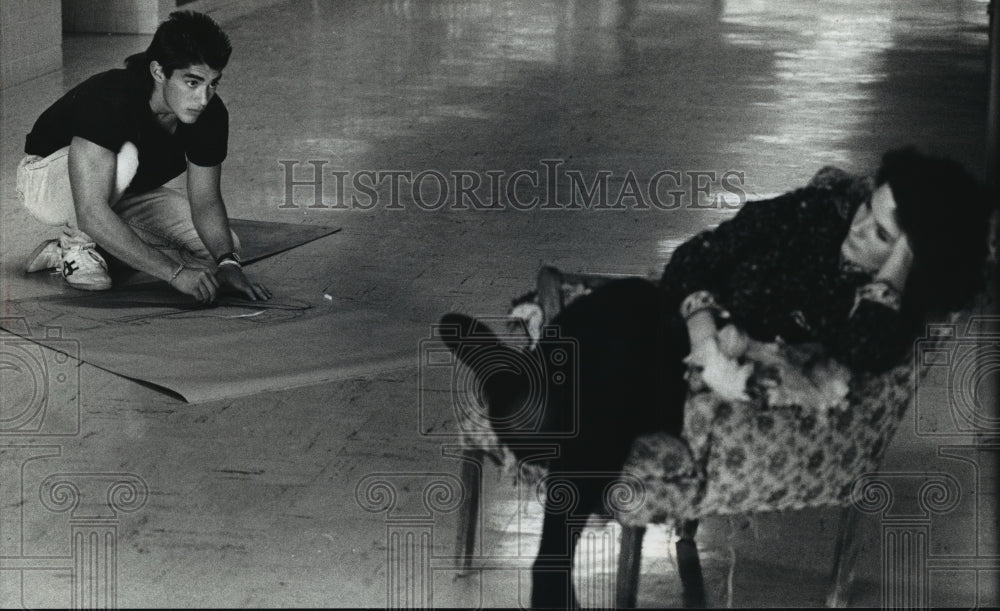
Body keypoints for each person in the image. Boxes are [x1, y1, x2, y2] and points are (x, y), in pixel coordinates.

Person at [440, 146, 994, 608]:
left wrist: (900, 260)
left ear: (913, 257)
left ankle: (501, 371)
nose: (855, 229)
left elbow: (862, 350)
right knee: (606, 363)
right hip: (648, 317)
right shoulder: (814, 212)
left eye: (879, 234)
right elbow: (696, 256)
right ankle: (551, 576)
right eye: (864, 211)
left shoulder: (889, 311)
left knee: (551, 415)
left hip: (677, 387)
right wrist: (705, 339)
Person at [16, 10, 270, 303]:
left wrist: (228, 262)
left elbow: (206, 201)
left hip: (126, 190)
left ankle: (87, 248)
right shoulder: (110, 98)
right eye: (192, 82)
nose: (203, 98)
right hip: (47, 181)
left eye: (213, 83)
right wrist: (175, 273)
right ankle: (76, 246)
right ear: (159, 72)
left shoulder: (210, 113)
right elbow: (90, 210)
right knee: (119, 169)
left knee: (221, 248)